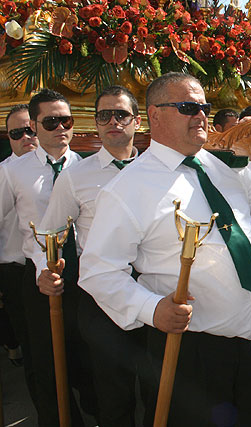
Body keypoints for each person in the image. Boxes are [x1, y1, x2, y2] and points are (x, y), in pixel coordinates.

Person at [79, 72, 251, 426]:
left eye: (204, 107)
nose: (201, 116)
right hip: (194, 351)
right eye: (188, 107)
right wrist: (151, 308)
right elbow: (98, 271)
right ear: (155, 115)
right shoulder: (128, 188)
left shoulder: (222, 166)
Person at [35, 86, 150, 427]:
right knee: (113, 396)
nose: (112, 121)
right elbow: (50, 233)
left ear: (137, 122)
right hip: (100, 298)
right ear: (95, 123)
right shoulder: (75, 177)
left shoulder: (159, 172)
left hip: (153, 288)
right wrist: (47, 269)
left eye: (121, 115)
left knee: (159, 390)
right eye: (104, 116)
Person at [0, 89, 97, 425]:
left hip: (85, 280)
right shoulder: (14, 171)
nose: (60, 128)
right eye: (50, 121)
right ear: (36, 126)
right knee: (46, 365)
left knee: (87, 358)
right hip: (39, 281)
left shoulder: (90, 169)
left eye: (65, 120)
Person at [0, 104, 38, 392]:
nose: (26, 137)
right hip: (16, 269)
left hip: (59, 269)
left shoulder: (65, 166)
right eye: (17, 133)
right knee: (32, 344)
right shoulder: (5, 173)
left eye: (30, 129)